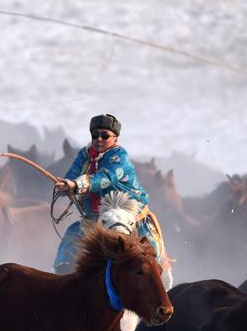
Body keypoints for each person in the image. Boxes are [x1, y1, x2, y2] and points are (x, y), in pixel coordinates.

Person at [54, 114, 165, 273]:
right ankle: (63, 273)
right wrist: (66, 185)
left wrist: (76, 184)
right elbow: (73, 173)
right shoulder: (84, 155)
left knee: (150, 250)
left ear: (115, 139)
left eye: (104, 135)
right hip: (95, 216)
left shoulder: (120, 157)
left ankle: (156, 276)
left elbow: (105, 178)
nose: (99, 139)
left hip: (128, 214)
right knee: (72, 234)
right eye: (95, 135)